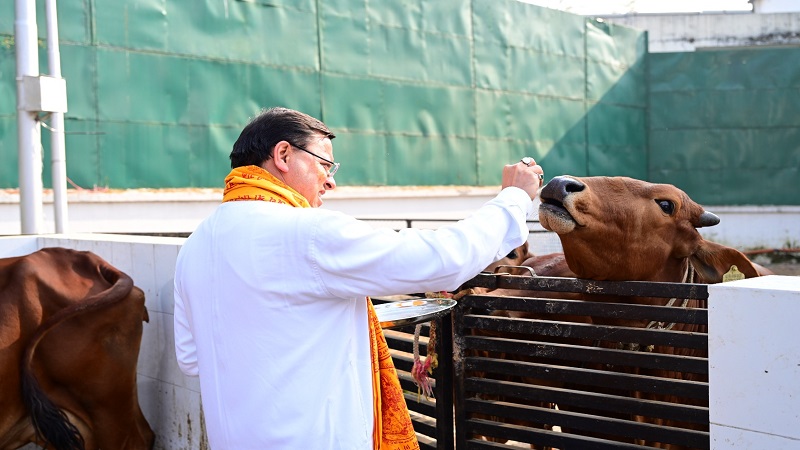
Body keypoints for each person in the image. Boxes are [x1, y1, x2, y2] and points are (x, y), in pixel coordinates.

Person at [173, 106, 544, 450]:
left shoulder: (196, 246)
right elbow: (441, 259)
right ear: (283, 155)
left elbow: (191, 359)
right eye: (325, 165)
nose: (330, 183)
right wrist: (513, 198)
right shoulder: (306, 234)